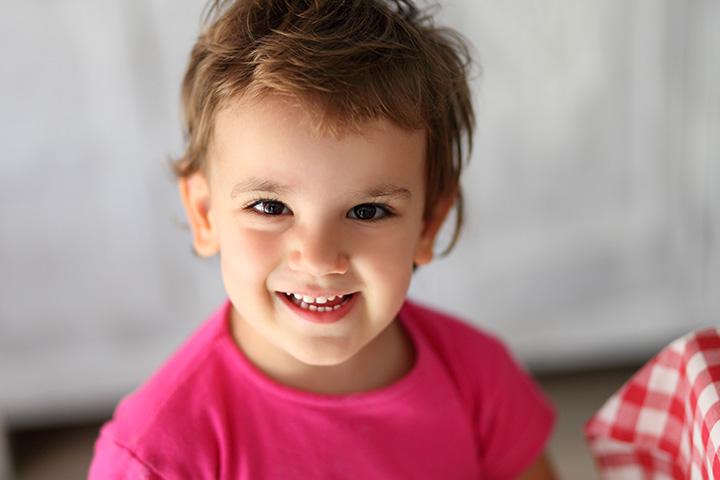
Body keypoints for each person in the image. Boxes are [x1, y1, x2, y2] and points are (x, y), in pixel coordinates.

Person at [88, 0, 557, 478]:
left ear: (428, 223)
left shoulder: (478, 378)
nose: (318, 258)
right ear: (205, 214)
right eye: (271, 208)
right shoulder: (156, 456)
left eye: (367, 210)